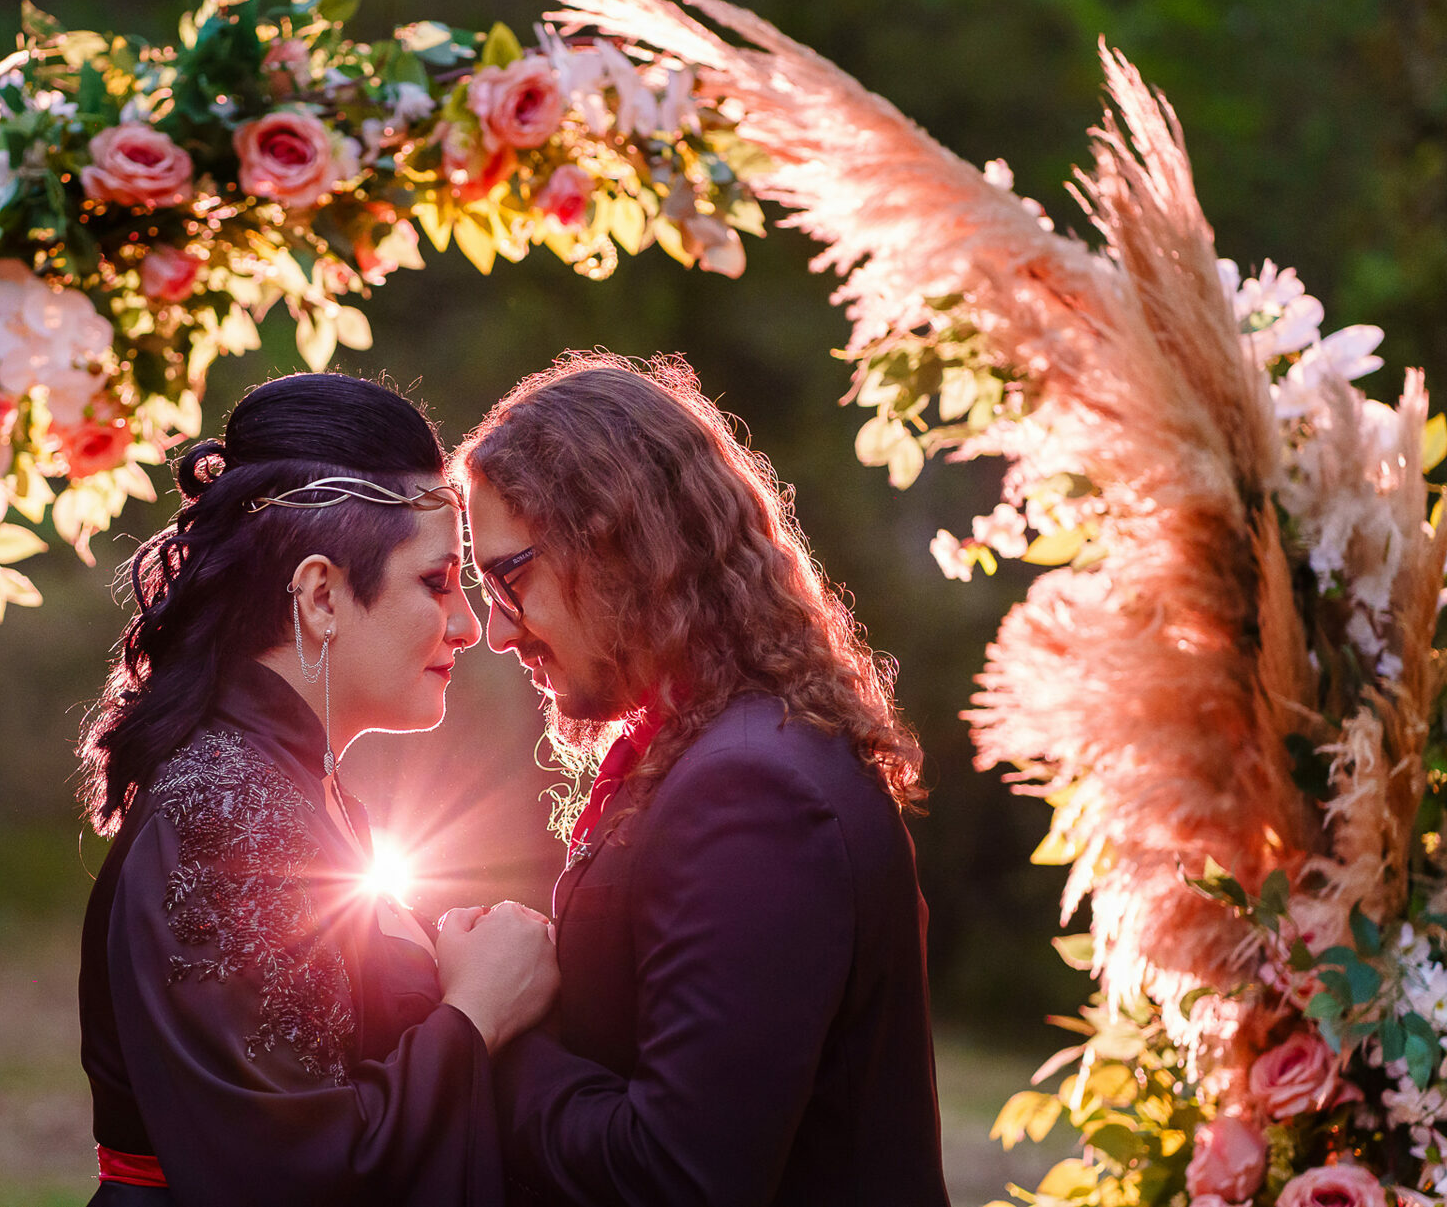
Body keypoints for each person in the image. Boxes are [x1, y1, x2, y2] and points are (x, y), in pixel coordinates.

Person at [456, 353, 950, 1207]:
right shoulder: (716, 749)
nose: (499, 631)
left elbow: (677, 1177)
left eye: (509, 577)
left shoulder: (754, 791)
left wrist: (494, 1032)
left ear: (613, 539)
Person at [76, 372, 559, 1206]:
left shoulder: (287, 789)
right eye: (436, 582)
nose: (468, 626)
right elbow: (288, 1169)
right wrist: (476, 1011)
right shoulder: (223, 812)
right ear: (322, 595)